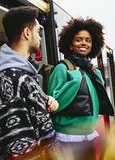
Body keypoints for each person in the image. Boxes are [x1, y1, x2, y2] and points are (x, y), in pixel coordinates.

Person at [0, 6, 60, 160]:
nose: (40, 38)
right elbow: (19, 148)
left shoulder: (22, 75)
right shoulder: (9, 79)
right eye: (37, 32)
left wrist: (45, 100)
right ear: (27, 33)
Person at [47, 18, 114, 160]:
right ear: (70, 45)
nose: (84, 43)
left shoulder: (92, 71)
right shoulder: (62, 68)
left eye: (88, 40)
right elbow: (53, 105)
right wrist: (75, 79)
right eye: (78, 40)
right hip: (67, 139)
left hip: (89, 136)